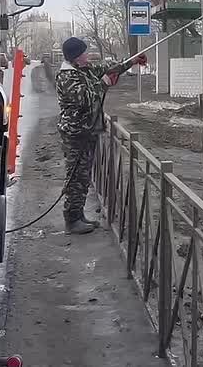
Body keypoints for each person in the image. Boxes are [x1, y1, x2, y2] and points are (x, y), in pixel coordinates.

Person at [55, 37, 147, 234]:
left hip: (87, 131)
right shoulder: (67, 77)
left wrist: (131, 61)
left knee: (84, 176)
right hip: (76, 134)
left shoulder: (83, 70)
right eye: (84, 53)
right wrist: (103, 83)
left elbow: (107, 68)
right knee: (76, 177)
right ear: (76, 57)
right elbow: (84, 99)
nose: (88, 55)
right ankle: (72, 219)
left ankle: (78, 215)